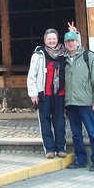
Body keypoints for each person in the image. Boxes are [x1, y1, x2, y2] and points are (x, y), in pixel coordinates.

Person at [63, 31, 94, 172]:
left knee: (92, 132)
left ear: (78, 42)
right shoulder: (64, 60)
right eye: (68, 42)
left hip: (86, 102)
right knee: (76, 134)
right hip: (71, 103)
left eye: (73, 41)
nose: (71, 43)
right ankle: (80, 159)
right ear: (65, 44)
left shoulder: (88, 56)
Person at [27, 28, 68, 159]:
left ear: (57, 39)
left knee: (60, 122)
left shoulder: (64, 53)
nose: (52, 41)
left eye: (54, 38)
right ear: (45, 40)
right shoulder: (39, 54)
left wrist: (75, 33)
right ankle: (49, 149)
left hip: (60, 94)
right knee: (45, 122)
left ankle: (60, 148)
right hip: (44, 94)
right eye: (49, 38)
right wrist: (33, 93)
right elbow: (32, 75)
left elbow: (77, 48)